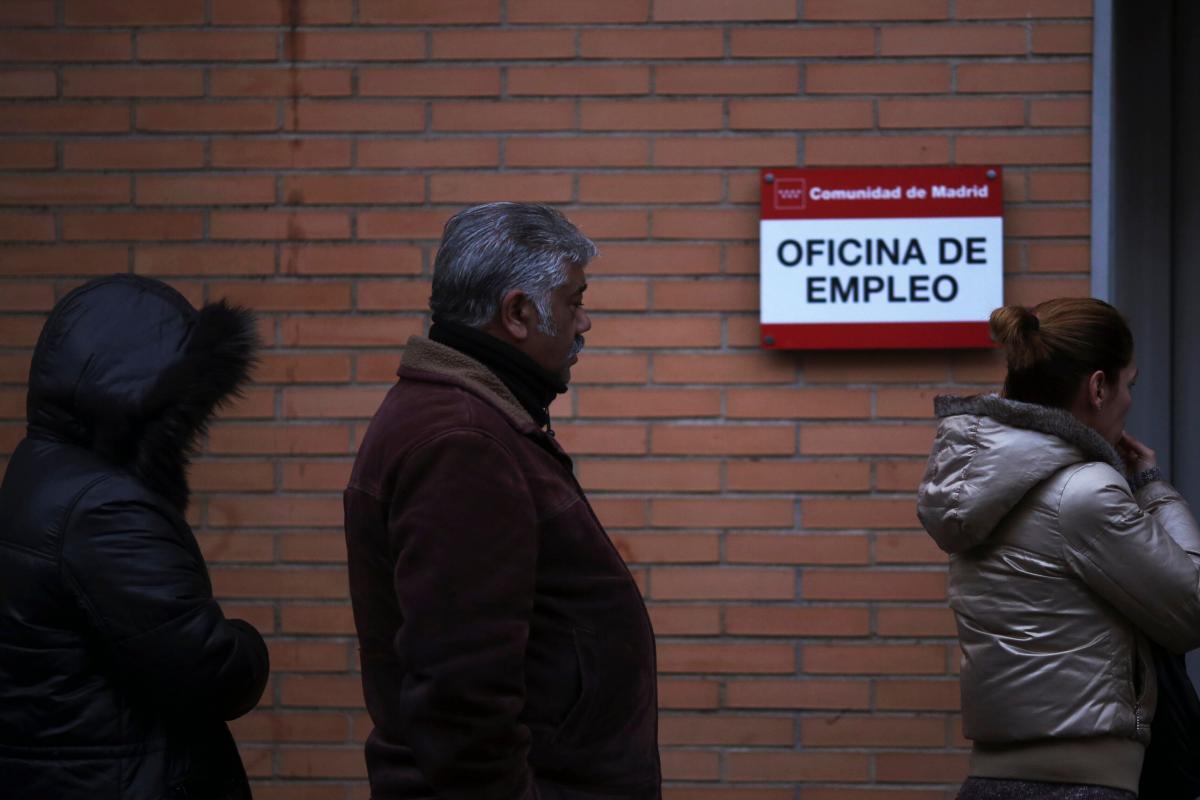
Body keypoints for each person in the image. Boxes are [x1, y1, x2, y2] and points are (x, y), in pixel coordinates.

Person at [344, 202, 661, 799]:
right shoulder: (463, 442)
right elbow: (461, 700)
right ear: (517, 313)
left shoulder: (470, 420)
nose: (584, 322)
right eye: (573, 300)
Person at [917, 297, 1200, 799]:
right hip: (1082, 786)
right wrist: (1152, 487)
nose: (1129, 401)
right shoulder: (1084, 492)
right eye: (1129, 384)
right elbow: (1192, 608)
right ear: (1098, 387)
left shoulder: (982, 486)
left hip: (992, 782)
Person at [0, 275, 270, 798]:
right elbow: (212, 673)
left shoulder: (39, 471)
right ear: (137, 399)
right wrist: (248, 642)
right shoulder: (105, 510)